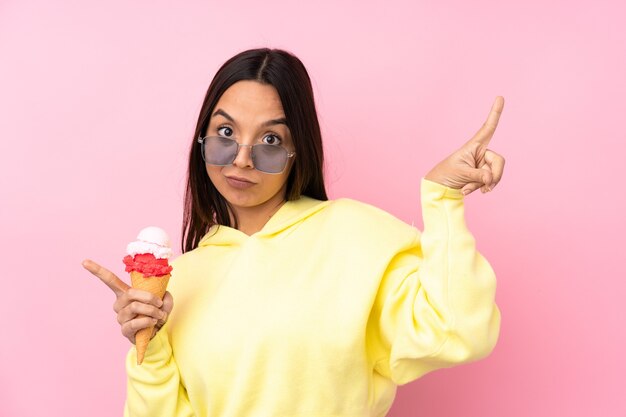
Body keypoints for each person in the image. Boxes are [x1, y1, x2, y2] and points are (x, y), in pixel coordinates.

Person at [83, 48, 504, 417]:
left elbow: (457, 331)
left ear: (296, 148)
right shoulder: (179, 282)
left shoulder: (354, 235)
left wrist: (443, 200)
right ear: (203, 138)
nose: (242, 159)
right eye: (226, 133)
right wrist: (150, 346)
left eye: (269, 139)